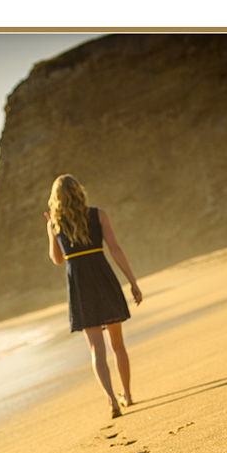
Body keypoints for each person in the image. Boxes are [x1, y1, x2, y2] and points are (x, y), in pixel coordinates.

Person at [45, 174, 142, 419]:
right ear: (79, 192)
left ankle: (111, 401)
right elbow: (115, 248)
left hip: (80, 285)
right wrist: (132, 281)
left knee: (96, 349)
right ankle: (127, 395)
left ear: (56, 198)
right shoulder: (99, 214)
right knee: (117, 345)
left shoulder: (54, 223)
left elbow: (57, 260)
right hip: (103, 278)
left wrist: (53, 231)